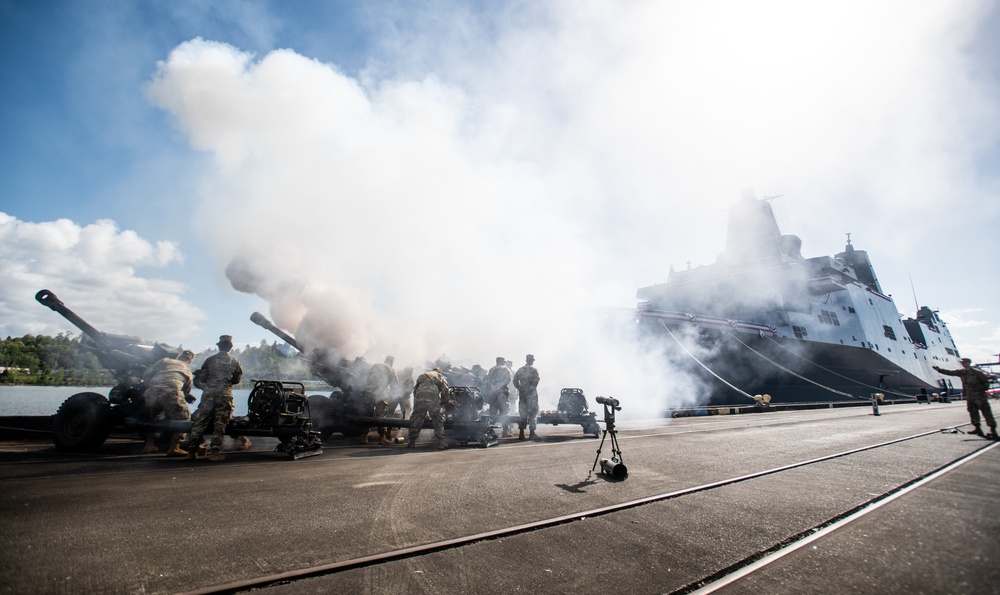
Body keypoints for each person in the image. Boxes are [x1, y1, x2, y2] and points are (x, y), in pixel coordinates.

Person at [183, 335, 244, 461]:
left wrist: (208, 385)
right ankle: (215, 453)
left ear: (219, 346)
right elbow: (236, 380)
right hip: (224, 394)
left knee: (200, 423)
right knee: (219, 424)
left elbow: (202, 378)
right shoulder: (234, 362)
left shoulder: (209, 360)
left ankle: (191, 452)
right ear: (230, 346)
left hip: (209, 394)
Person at [141, 350, 195, 456]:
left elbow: (147, 374)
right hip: (171, 393)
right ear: (189, 361)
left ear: (178, 357)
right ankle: (175, 447)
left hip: (151, 392)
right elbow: (186, 391)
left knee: (154, 418)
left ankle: (149, 444)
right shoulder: (187, 370)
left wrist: (149, 386)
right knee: (184, 418)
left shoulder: (165, 361)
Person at [934, 358, 997, 439]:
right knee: (972, 412)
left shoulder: (977, 373)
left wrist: (980, 389)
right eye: (962, 362)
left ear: (969, 363)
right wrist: (939, 370)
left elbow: (986, 383)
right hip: (970, 396)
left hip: (980, 396)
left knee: (986, 412)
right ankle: (977, 428)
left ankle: (992, 429)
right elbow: (950, 372)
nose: (963, 363)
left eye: (964, 362)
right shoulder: (962, 372)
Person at [407, 367, 450, 450]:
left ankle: (412, 442)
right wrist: (444, 402)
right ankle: (441, 443)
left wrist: (417, 401)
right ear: (439, 372)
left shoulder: (423, 375)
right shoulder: (439, 376)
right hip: (432, 396)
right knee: (438, 418)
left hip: (420, 397)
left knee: (416, 418)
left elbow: (415, 390)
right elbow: (445, 390)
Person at [363, 356, 397, 445]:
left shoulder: (375, 365)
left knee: (367, 415)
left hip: (369, 392)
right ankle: (382, 438)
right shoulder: (391, 369)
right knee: (381, 417)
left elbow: (367, 378)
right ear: (392, 362)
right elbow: (394, 385)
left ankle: (364, 437)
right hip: (381, 394)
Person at [513, 354, 540, 440]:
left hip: (522, 394)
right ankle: (532, 433)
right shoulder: (534, 370)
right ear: (532, 360)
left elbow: (514, 380)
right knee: (533, 413)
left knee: (523, 413)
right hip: (531, 394)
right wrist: (531, 388)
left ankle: (521, 433)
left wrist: (519, 387)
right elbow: (536, 380)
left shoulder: (520, 370)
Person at [486, 356, 513, 437]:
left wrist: (493, 388)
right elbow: (508, 379)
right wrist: (501, 386)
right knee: (505, 411)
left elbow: (488, 381)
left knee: (492, 412)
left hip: (493, 392)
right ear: (501, 361)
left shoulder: (491, 369)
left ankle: (490, 431)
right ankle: (505, 431)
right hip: (502, 393)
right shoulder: (505, 369)